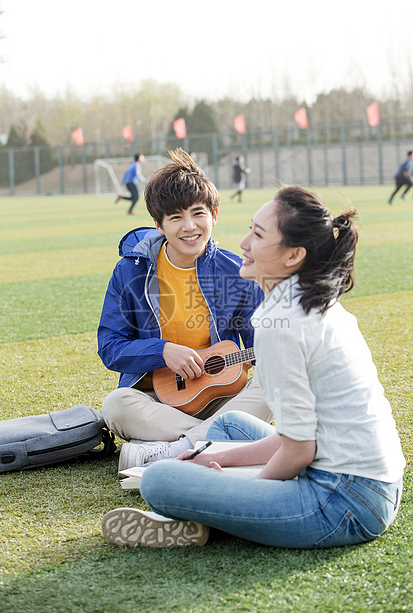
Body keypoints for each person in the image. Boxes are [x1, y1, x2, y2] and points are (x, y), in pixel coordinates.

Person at [102, 185, 405, 550]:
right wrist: (218, 456)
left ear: (293, 255)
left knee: (159, 481)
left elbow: (298, 451)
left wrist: (242, 485)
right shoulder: (305, 300)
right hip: (369, 483)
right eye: (249, 228)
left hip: (342, 501)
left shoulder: (281, 323)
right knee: (227, 428)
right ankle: (204, 487)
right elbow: (298, 437)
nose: (243, 243)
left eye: (258, 234)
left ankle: (203, 507)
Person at [98, 149, 272, 473]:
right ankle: (213, 443)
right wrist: (162, 352)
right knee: (116, 405)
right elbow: (110, 347)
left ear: (214, 215)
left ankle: (179, 448)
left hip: (223, 399)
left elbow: (262, 345)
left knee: (274, 384)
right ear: (158, 224)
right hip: (159, 401)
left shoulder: (237, 272)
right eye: (176, 217)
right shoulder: (130, 272)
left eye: (198, 213)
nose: (189, 227)